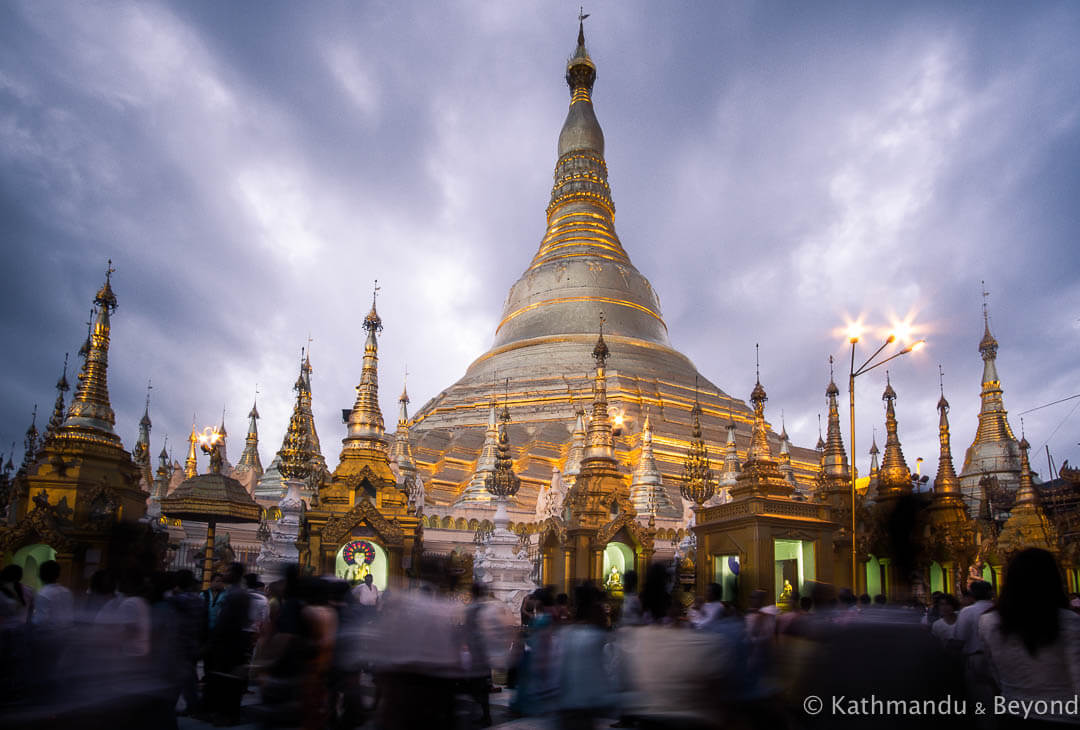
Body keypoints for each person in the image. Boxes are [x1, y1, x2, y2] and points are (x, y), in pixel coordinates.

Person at [979, 548, 1080, 728]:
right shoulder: (1067, 621)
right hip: (1061, 715)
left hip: (1011, 712)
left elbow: (993, 671)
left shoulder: (988, 622)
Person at [204, 563, 251, 725]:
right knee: (227, 680)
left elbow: (226, 621)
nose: (225, 573)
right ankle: (225, 712)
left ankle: (228, 714)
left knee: (228, 682)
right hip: (231, 642)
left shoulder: (236, 594)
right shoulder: (235, 593)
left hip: (229, 643)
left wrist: (214, 639)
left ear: (236, 574)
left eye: (228, 570)